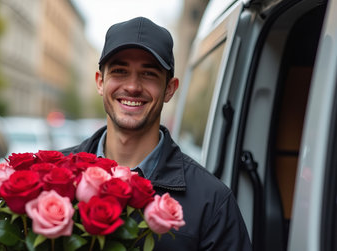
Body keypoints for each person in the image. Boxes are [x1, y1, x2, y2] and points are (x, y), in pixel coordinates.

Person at [62, 16, 252, 250]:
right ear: (100, 82)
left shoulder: (213, 202)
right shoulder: (52, 178)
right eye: (120, 71)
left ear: (169, 89)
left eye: (149, 73)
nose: (132, 86)